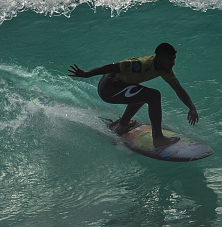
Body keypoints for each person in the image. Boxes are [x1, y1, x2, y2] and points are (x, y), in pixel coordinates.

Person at [68, 43, 199, 148]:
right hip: (108, 88)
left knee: (143, 94)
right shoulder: (139, 64)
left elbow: (178, 88)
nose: (173, 63)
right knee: (153, 95)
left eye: (174, 59)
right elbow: (111, 67)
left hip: (121, 86)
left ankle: (122, 126)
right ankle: (158, 139)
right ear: (160, 57)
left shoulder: (164, 69)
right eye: (170, 60)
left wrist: (191, 107)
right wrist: (86, 74)